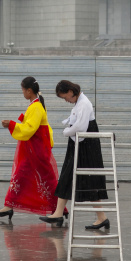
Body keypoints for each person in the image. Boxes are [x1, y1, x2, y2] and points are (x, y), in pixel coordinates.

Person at [39, 80, 109, 229]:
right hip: (81, 144)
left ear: (71, 92)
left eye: (66, 97)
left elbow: (81, 126)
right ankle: (59, 212)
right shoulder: (80, 102)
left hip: (86, 145)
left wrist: (66, 132)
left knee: (87, 179)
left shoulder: (84, 103)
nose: (66, 100)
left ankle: (101, 217)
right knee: (68, 176)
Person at [0, 76, 59, 220]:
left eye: (23, 90)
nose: (22, 93)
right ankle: (9, 205)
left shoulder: (36, 106)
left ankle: (59, 209)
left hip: (35, 150)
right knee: (25, 176)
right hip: (34, 149)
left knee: (42, 178)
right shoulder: (36, 104)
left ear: (29, 91)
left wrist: (11, 124)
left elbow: (29, 129)